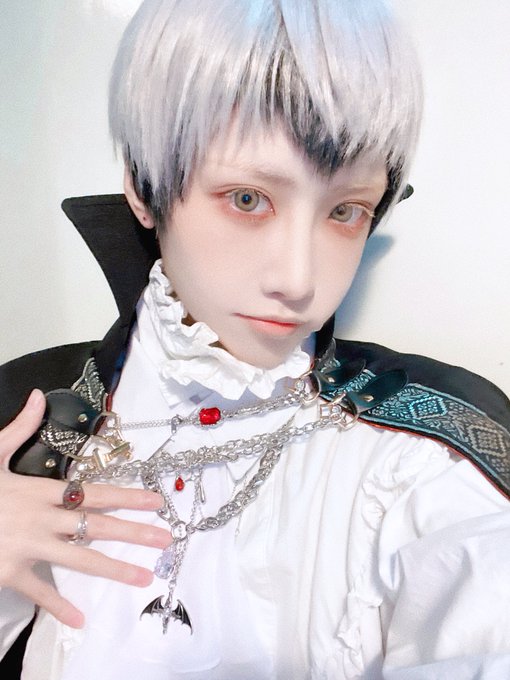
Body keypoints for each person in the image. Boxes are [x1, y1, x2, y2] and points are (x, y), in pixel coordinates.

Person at [0, 0, 509, 678]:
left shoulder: (426, 449)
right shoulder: (20, 409)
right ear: (144, 187)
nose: (299, 281)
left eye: (345, 210)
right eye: (247, 199)